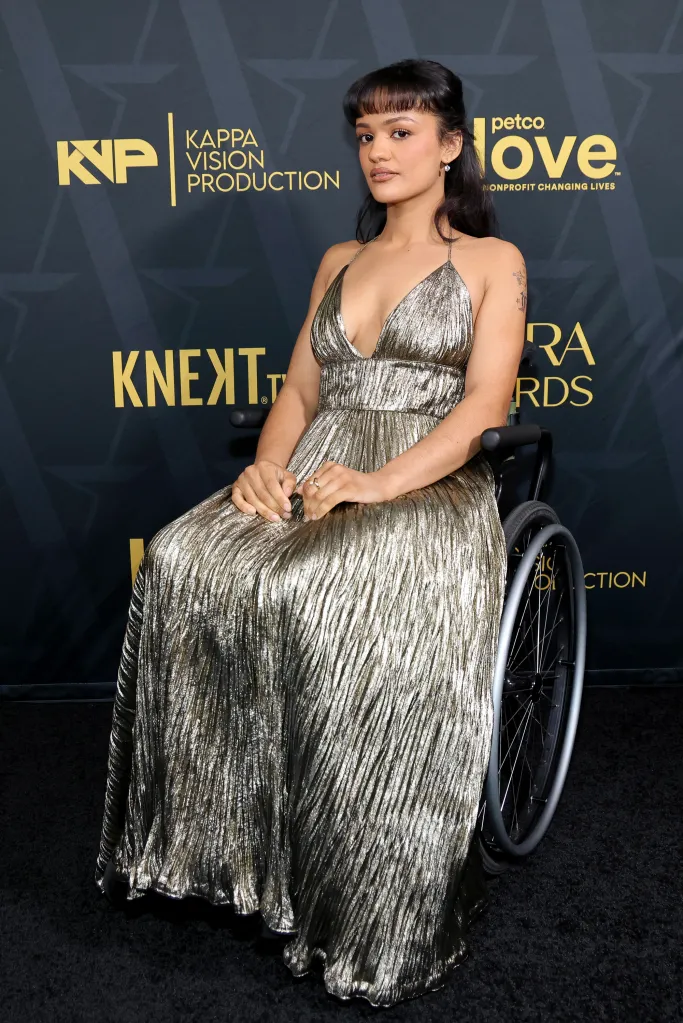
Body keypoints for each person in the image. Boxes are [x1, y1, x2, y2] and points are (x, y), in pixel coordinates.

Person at [95, 58, 526, 1008]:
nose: (378, 151)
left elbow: (483, 408)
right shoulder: (340, 260)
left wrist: (376, 483)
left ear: (450, 146)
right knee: (181, 557)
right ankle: (215, 855)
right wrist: (265, 465)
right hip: (314, 465)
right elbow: (298, 393)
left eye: (400, 132)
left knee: (310, 590)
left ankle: (350, 878)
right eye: (365, 135)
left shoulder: (493, 264)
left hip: (424, 481)